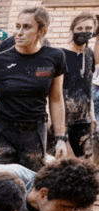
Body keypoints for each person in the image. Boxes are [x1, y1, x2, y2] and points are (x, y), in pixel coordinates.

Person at [0, 6, 70, 171]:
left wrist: (60, 137)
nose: (19, 32)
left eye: (27, 27)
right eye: (17, 26)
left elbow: (56, 99)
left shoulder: (54, 57)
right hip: (2, 132)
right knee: (1, 183)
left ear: (41, 31)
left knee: (30, 182)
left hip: (34, 134)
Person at [62, 13, 97, 158]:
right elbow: (54, 92)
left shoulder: (89, 54)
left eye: (88, 28)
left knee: (85, 164)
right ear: (72, 30)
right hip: (65, 121)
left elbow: (89, 87)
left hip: (85, 121)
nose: (84, 31)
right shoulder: (61, 55)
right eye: (79, 28)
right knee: (67, 165)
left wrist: (93, 116)